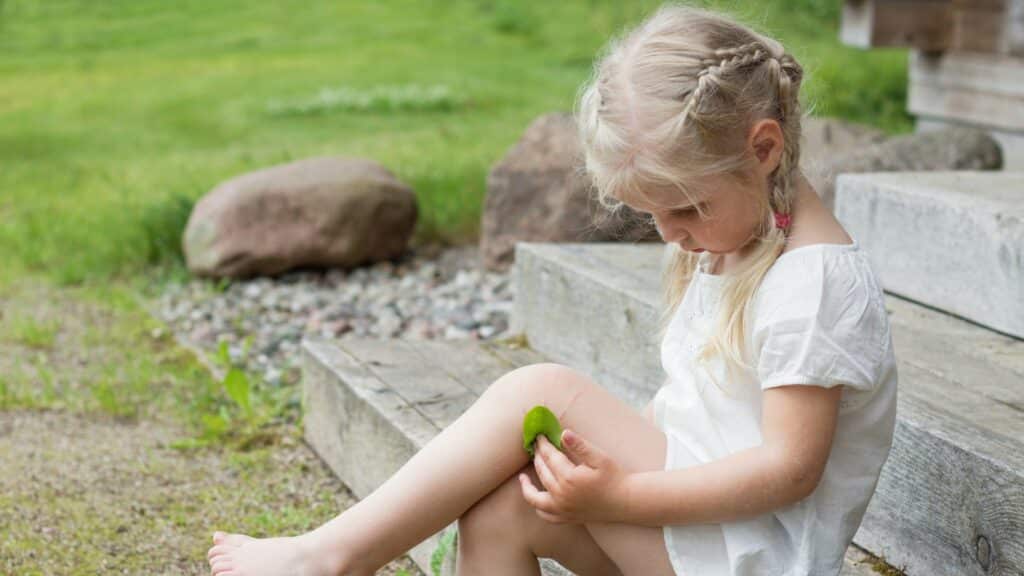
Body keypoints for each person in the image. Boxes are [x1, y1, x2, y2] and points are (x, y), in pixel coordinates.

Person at [206, 3, 898, 575]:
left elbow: (789, 471)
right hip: (701, 534)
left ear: (765, 149)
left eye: (686, 208)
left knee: (541, 389)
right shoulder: (737, 242)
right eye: (651, 214)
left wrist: (625, 494)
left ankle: (335, 556)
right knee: (503, 510)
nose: (670, 235)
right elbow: (709, 416)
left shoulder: (813, 284)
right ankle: (335, 555)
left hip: (751, 556)